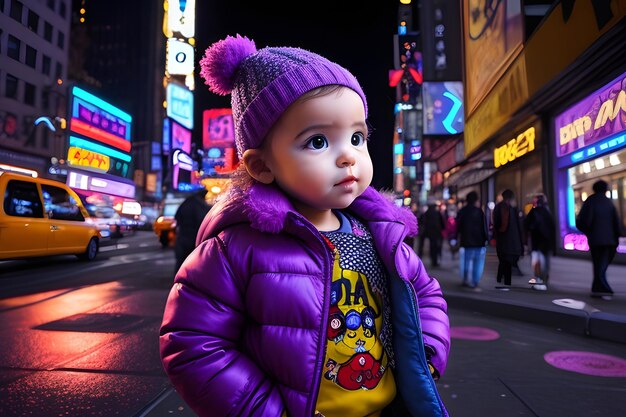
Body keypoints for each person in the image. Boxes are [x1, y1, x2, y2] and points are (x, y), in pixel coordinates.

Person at [159, 35, 450, 417]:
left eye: (357, 137)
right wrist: (265, 410)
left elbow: (425, 294)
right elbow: (192, 343)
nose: (348, 156)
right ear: (262, 166)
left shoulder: (378, 234)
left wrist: (427, 353)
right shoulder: (237, 248)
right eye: (317, 141)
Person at [576, 180, 622, 300]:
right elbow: (616, 222)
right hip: (610, 240)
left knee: (598, 263)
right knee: (602, 263)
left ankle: (600, 287)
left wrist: (588, 232)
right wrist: (618, 236)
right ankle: (600, 288)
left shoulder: (590, 201)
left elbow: (584, 221)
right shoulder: (609, 203)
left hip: (595, 239)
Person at [492, 189, 524, 289]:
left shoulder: (501, 207)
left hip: (504, 239)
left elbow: (497, 224)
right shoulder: (509, 208)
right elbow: (507, 225)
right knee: (506, 259)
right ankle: (505, 281)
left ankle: (501, 279)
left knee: (503, 259)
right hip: (509, 240)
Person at [455, 191, 488, 289]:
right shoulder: (479, 211)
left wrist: (456, 238)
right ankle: (475, 281)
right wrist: (486, 239)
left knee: (466, 261)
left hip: (466, 241)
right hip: (479, 241)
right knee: (478, 262)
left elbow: (458, 226)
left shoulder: (462, 211)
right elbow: (484, 227)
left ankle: (465, 279)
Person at [173, 188, 211, 272]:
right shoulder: (200, 205)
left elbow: (177, 217)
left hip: (183, 235)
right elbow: (203, 220)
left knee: (181, 261)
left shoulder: (187, 202)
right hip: (193, 236)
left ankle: (179, 280)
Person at [523, 194, 556, 291]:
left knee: (536, 262)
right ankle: (544, 279)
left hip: (536, 242)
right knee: (545, 262)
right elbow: (552, 228)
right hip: (546, 242)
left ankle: (539, 280)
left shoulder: (534, 211)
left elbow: (526, 224)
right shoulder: (548, 212)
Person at [421, 202, 446, 267]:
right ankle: (435, 261)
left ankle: (432, 260)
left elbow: (422, 222)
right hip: (436, 233)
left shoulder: (426, 213)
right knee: (436, 247)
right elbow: (442, 223)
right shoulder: (437, 213)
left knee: (432, 246)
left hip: (428, 232)